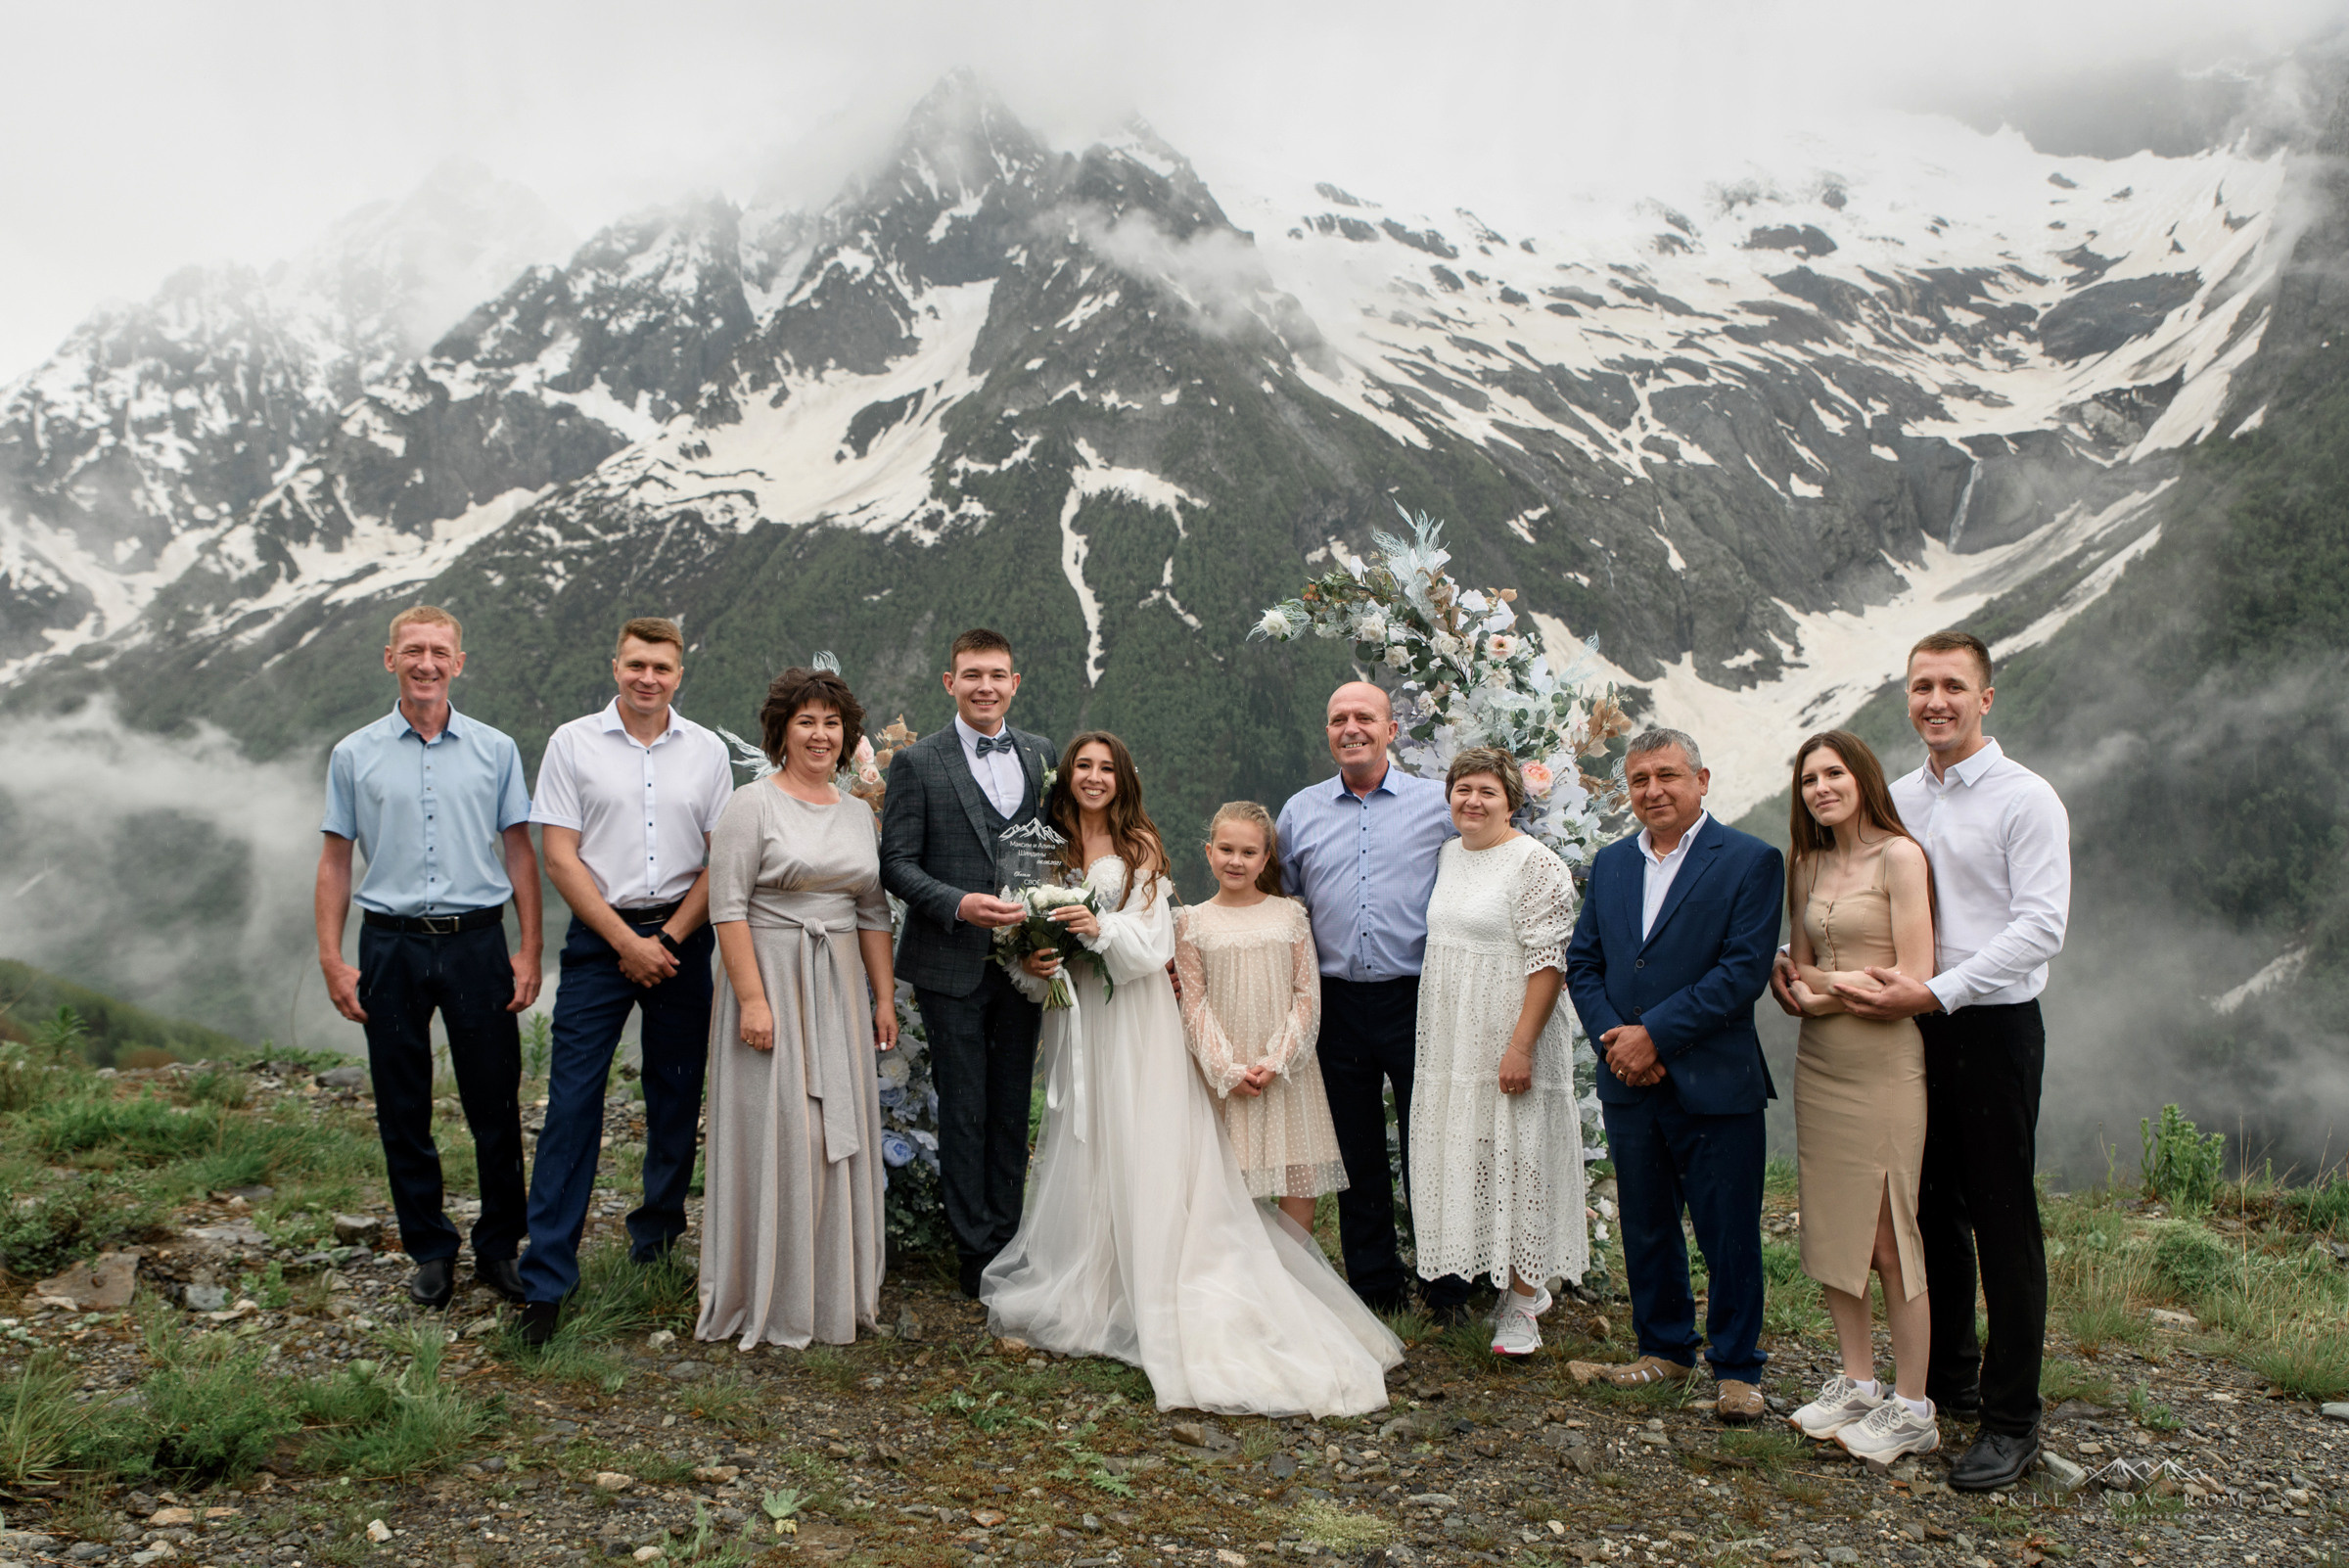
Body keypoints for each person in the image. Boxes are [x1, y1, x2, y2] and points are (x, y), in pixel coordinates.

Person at [983, 734, 1403, 1416]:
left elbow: (1152, 945)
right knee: (1088, 1137)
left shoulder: (1140, 846)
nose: (1094, 778)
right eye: (1083, 767)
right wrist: (1034, 959)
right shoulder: (1045, 846)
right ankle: (1096, 1278)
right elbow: (1024, 931)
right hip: (1081, 1007)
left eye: (1106, 768)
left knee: (1141, 1138)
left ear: (1123, 779)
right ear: (1067, 776)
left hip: (1135, 1013)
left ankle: (1164, 1278)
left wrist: (1096, 928)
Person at [1775, 631, 2070, 1491]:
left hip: (1988, 1024)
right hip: (1899, 1030)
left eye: (1951, 686)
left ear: (1985, 698)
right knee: (1923, 1209)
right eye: (1919, 687)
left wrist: (1935, 992)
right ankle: (1947, 1381)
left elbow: (2041, 927)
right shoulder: (1898, 797)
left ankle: (2013, 1419)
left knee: (2002, 1215)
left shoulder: (2026, 798)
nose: (1933, 701)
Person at [513, 618, 735, 1346]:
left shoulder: (706, 752)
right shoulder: (572, 744)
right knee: (573, 1102)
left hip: (682, 931)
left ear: (680, 674)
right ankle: (547, 1280)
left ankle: (656, 1245)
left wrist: (667, 940)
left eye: (662, 667)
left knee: (675, 1096)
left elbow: (718, 860)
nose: (648, 677)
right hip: (598, 937)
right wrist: (624, 942)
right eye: (637, 664)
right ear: (616, 667)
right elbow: (560, 858)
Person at [314, 604, 540, 1309]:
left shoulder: (496, 749)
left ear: (459, 663)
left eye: (440, 651)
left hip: (478, 940)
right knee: (402, 1103)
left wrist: (529, 948)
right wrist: (331, 957)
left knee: (494, 1100)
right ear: (391, 659)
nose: (426, 663)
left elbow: (519, 853)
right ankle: (431, 1249)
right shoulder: (354, 754)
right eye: (413, 650)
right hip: (389, 942)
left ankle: (499, 1247)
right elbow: (334, 859)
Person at [1564, 727, 1782, 1424]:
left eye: (1667, 776)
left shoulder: (1749, 860)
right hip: (1629, 1079)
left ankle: (1738, 1370)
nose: (1652, 791)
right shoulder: (1613, 865)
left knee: (1728, 1232)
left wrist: (1654, 1036)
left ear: (1701, 779)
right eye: (1638, 780)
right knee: (1648, 1225)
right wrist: (1618, 1043)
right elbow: (1586, 964)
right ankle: (1662, 1350)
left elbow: (1741, 973)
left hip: (1716, 1081)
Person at [695, 667, 899, 1349]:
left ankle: (830, 1293)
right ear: (781, 730)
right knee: (785, 1134)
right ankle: (768, 1291)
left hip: (838, 982)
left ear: (847, 737)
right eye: (806, 720)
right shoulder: (751, 805)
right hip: (772, 976)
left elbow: (872, 910)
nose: (820, 734)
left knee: (833, 1142)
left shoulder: (856, 813)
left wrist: (882, 997)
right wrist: (752, 999)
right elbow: (726, 907)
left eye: (832, 723)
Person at [1276, 682, 1467, 1321]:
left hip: (1418, 997)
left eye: (1364, 717)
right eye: (1338, 720)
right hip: (1335, 1004)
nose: (1351, 728)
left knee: (1430, 1144)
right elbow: (1287, 903)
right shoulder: (1299, 813)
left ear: (1390, 729)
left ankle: (1447, 1289)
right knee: (1355, 1150)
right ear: (1327, 732)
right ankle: (1375, 1288)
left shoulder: (1436, 806)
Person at [878, 629, 1056, 1298]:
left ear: (1015, 682)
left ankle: (1009, 1239)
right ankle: (974, 1255)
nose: (986, 686)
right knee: (964, 1108)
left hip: (1022, 967)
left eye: (998, 675)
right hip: (948, 963)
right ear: (949, 683)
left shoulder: (1041, 754)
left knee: (1013, 1105)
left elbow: (1053, 850)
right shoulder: (918, 763)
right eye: (972, 674)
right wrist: (958, 904)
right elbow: (894, 863)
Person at [1777, 730, 1939, 1463]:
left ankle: (1913, 1405)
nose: (1821, 788)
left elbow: (1911, 980)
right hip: (1822, 1063)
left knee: (1888, 1236)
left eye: (1833, 773)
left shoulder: (1900, 857)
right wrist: (1830, 985)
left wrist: (1824, 986)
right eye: (1809, 779)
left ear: (1862, 777)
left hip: (1884, 1065)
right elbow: (1794, 977)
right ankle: (1857, 1381)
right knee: (1835, 1228)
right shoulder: (1805, 864)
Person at [1410, 748, 1588, 1358]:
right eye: (1462, 789)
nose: (1473, 801)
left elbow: (1548, 963)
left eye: (1487, 790)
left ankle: (1522, 1303)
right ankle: (1514, 1283)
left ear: (1512, 800)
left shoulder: (1536, 863)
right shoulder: (1448, 855)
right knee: (1477, 1153)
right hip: (1455, 1035)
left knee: (1523, 1159)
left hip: (1515, 1031)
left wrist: (1520, 1047)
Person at [1174, 801, 1345, 1234]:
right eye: (1226, 850)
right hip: (1225, 1076)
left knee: (1298, 1180)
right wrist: (1226, 1069)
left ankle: (1291, 1282)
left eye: (1249, 852)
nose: (1236, 861)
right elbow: (1193, 1005)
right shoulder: (1192, 921)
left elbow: (1307, 995)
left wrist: (1277, 1059)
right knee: (1231, 1180)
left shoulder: (1290, 915)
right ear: (1209, 851)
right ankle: (1245, 1281)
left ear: (1266, 858)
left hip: (1288, 1071)